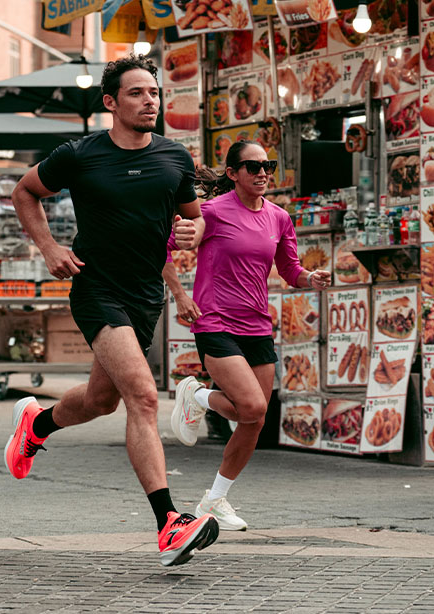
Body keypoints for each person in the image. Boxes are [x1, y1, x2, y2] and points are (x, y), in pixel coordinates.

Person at [3, 55, 218, 568]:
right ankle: (169, 523)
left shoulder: (174, 158)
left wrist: (195, 231)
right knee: (143, 397)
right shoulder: (79, 154)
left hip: (146, 295)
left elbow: (195, 217)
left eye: (155, 93)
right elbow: (24, 192)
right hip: (96, 289)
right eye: (138, 93)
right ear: (110, 102)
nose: (150, 101)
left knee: (103, 400)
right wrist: (50, 249)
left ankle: (37, 424)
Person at [164, 141, 331, 531]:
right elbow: (164, 247)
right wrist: (180, 294)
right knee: (253, 407)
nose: (262, 172)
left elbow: (290, 270)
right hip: (215, 321)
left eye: (267, 165)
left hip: (257, 325)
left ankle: (215, 499)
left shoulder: (279, 217)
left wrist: (310, 278)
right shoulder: (211, 212)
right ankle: (196, 394)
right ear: (232, 173)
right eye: (252, 166)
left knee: (253, 418)